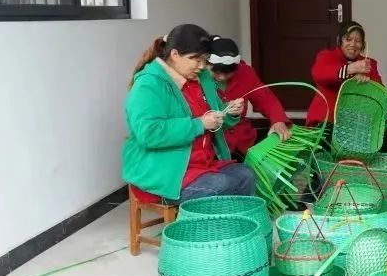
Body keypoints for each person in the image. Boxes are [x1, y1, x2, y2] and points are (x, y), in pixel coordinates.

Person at [122, 24, 256, 204]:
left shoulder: (201, 78)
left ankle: (234, 222)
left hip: (200, 165)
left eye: (205, 60)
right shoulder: (148, 85)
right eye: (195, 59)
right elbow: (149, 133)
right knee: (221, 185)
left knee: (245, 175)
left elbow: (213, 116)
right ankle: (215, 223)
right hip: (164, 173)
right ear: (175, 54)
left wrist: (228, 112)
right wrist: (200, 124)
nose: (201, 66)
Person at [207, 36, 292, 157]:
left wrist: (278, 120)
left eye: (228, 73)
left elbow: (265, 98)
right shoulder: (199, 76)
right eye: (217, 72)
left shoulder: (245, 72)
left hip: (243, 141)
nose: (222, 77)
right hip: (212, 145)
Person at [306, 21, 386, 151]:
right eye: (348, 39)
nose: (353, 44)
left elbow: (380, 92)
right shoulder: (326, 56)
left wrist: (367, 84)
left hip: (357, 124)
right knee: (324, 150)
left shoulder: (368, 64)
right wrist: (349, 69)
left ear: (363, 44)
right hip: (328, 121)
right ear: (340, 40)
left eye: (358, 41)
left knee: (382, 137)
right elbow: (319, 74)